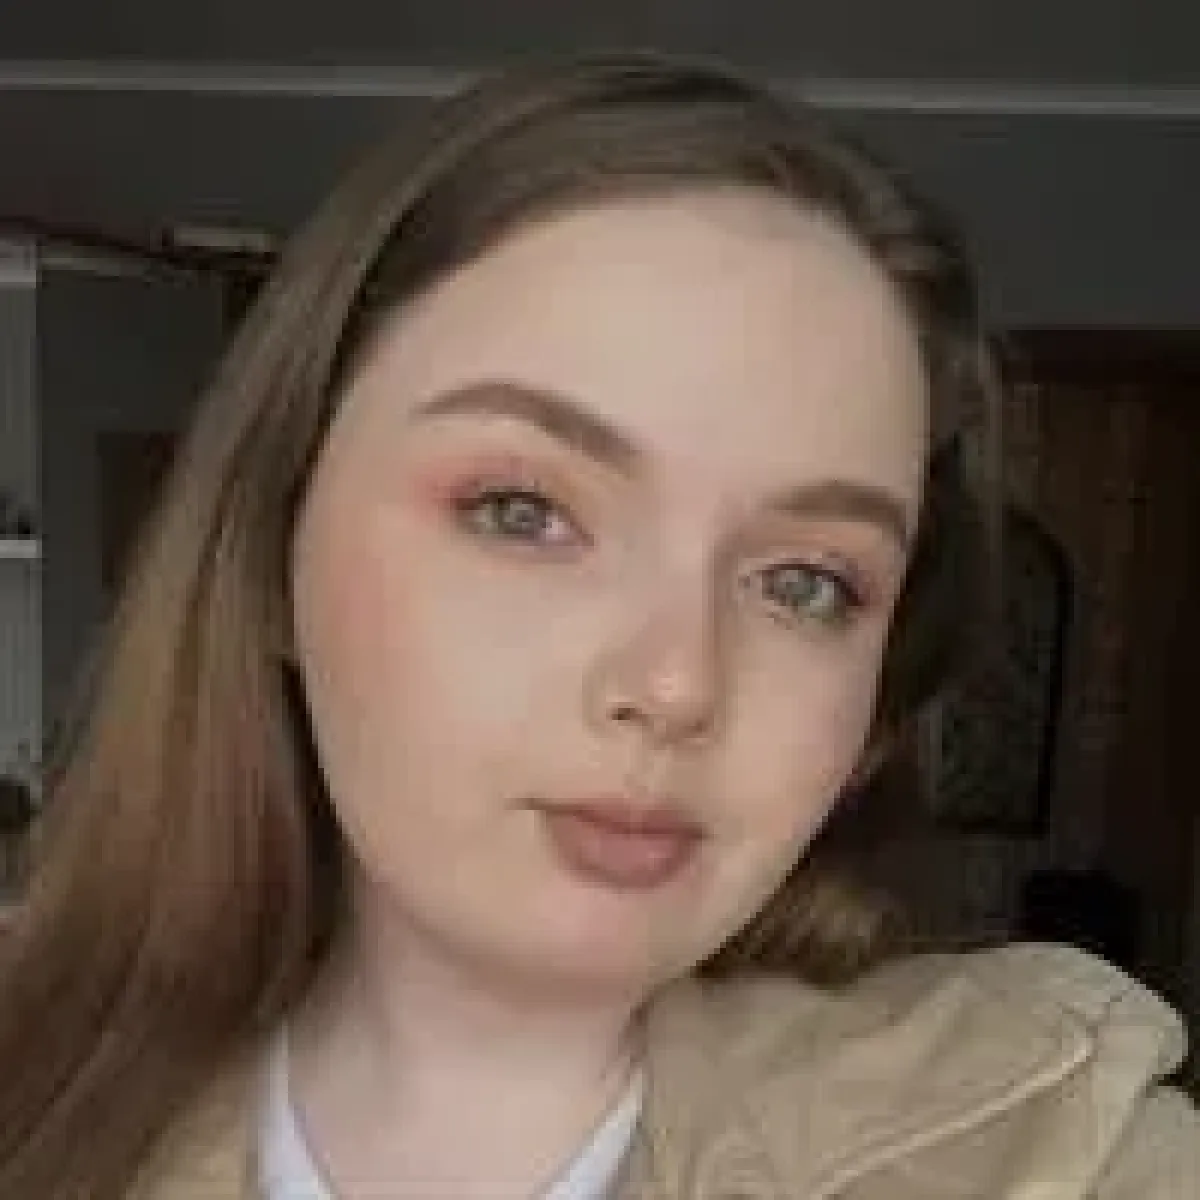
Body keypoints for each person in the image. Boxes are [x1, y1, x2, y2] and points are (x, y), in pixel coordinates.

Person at [0, 51, 1194, 1199]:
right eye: (522, 512)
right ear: (272, 551)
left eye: (805, 583)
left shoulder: (1050, 1148)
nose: (676, 684)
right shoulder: (33, 1096)